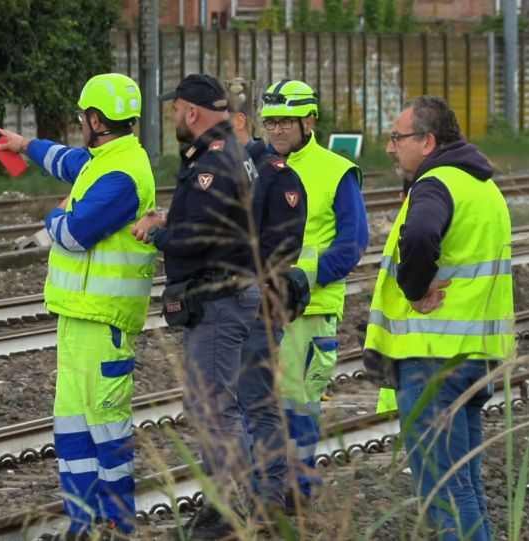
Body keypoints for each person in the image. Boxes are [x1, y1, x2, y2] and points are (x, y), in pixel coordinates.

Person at [0, 73, 158, 541]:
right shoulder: (104, 158)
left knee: (107, 432)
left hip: (103, 323)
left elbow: (72, 233)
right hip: (78, 318)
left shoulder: (124, 176)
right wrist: (25, 145)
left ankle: (117, 527)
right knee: (72, 432)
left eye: (83, 116)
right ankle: (83, 524)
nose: (79, 124)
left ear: (96, 120)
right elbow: (66, 160)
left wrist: (55, 212)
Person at [362, 95, 514, 541]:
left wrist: (414, 287)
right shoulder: (482, 185)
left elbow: (423, 232)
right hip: (474, 356)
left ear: (427, 141)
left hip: (434, 358)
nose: (390, 148)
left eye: (397, 138)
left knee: (444, 494)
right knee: (465, 487)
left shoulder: (435, 184)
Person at [129, 73, 261, 540]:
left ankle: (228, 511)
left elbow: (202, 236)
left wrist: (157, 233)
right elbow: (216, 218)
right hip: (227, 293)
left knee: (212, 408)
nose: (173, 119)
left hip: (218, 299)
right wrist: (171, 216)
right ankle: (229, 504)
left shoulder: (214, 161)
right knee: (216, 406)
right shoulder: (231, 153)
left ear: (191, 112)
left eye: (175, 110)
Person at [258, 79, 369, 498]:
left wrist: (307, 276)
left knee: (297, 407)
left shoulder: (336, 171)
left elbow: (353, 243)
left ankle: (296, 495)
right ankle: (267, 490)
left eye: (285, 120)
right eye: (270, 122)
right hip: (259, 308)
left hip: (309, 310)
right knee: (261, 405)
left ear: (309, 120)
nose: (277, 129)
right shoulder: (259, 166)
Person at [223, 88, 308, 516]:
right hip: (225, 310)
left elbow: (282, 246)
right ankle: (247, 495)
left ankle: (269, 499)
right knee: (233, 405)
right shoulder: (229, 168)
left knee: (258, 403)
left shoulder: (273, 173)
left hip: (256, 308)